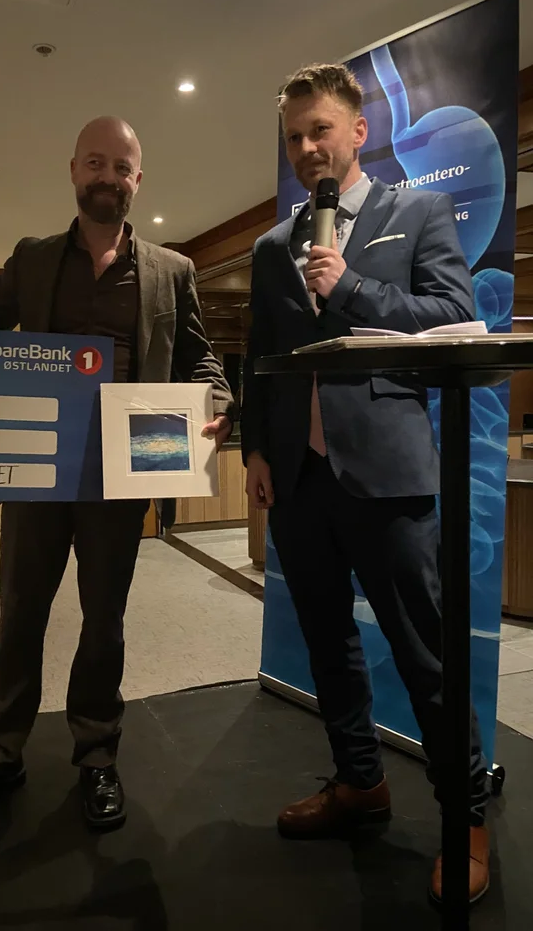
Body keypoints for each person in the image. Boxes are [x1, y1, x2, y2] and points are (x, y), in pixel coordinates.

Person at [0, 116, 233, 831]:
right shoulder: (33, 257)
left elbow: (199, 357)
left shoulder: (172, 270)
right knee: (20, 615)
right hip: (36, 469)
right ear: (74, 170)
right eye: (95, 163)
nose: (108, 177)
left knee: (105, 621)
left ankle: (97, 754)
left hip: (126, 472)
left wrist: (218, 403)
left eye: (121, 167)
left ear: (138, 179)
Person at [241, 64, 489, 904]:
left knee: (426, 654)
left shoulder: (418, 212)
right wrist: (256, 449)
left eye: (320, 129)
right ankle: (359, 783)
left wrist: (350, 287)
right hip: (298, 478)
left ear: (358, 129)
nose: (307, 146)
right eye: (294, 136)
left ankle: (466, 818)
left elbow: (452, 317)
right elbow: (259, 358)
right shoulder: (270, 247)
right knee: (328, 645)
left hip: (387, 475)